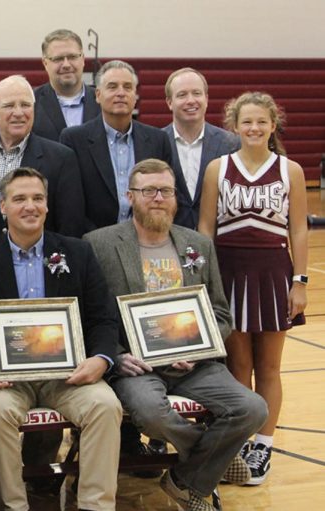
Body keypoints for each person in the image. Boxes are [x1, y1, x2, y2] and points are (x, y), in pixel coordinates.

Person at [85, 158, 268, 510]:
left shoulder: (196, 243)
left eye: (166, 191)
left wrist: (200, 348)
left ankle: (183, 481)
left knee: (252, 408)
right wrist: (117, 354)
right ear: (130, 197)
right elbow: (90, 314)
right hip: (136, 365)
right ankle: (209, 453)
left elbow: (220, 312)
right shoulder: (99, 244)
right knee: (151, 414)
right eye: (148, 190)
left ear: (175, 198)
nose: (158, 198)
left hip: (195, 364)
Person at [0, 167, 122, 511]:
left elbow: (103, 318)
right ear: (3, 206)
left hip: (68, 376)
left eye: (37, 198)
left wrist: (101, 359)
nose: (29, 206)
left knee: (105, 406)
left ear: (48, 205)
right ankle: (12, 506)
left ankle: (95, 506)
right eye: (19, 199)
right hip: (6, 380)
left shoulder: (78, 253)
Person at [198, 91, 308, 485]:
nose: (254, 128)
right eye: (247, 122)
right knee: (237, 365)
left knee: (270, 367)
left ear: (273, 125)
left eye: (262, 121)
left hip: (274, 273)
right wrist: (204, 279)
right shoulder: (218, 168)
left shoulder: (289, 169)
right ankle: (240, 440)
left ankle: (264, 443)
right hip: (228, 272)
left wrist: (301, 281)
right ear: (235, 127)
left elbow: (297, 228)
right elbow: (206, 228)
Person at [0, 75, 85, 241]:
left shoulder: (61, 158)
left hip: (42, 261)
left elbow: (70, 225)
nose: (18, 113)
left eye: (25, 105)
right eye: (9, 105)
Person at [60, 60, 174, 232]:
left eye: (127, 87)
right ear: (97, 95)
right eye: (112, 87)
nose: (121, 93)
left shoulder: (158, 139)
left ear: (135, 95)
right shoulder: (74, 139)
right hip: (93, 241)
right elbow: (70, 203)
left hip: (146, 238)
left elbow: (166, 194)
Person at [162, 68, 240, 229]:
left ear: (206, 98)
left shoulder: (232, 144)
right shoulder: (156, 142)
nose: (190, 100)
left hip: (219, 244)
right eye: (182, 95)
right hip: (170, 240)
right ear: (169, 102)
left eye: (196, 93)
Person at [32, 29, 100, 142]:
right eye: (58, 59)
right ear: (45, 63)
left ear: (83, 59)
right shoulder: (31, 103)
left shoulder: (103, 101)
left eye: (72, 57)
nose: (66, 65)